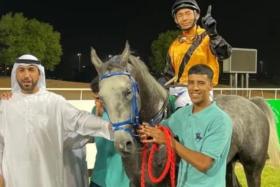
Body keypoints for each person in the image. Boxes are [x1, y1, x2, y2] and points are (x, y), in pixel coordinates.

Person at [0, 54, 113, 187]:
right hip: (14, 178)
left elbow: (79, 119)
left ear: (39, 74)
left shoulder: (54, 102)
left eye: (31, 69)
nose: (26, 75)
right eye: (21, 70)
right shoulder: (5, 105)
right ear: (15, 73)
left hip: (47, 177)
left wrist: (111, 128)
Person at [139, 64, 233, 187]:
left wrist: (170, 142)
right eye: (191, 82)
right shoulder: (182, 114)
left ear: (211, 86)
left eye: (201, 83)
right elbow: (162, 129)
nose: (195, 88)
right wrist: (148, 131)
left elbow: (204, 163)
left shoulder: (220, 121)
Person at [164, 0, 232, 108]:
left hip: (200, 90)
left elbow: (225, 53)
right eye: (180, 15)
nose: (184, 18)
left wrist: (214, 35)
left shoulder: (207, 37)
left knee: (182, 108)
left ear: (197, 15)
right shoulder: (174, 46)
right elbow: (169, 75)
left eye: (188, 13)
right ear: (176, 20)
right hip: (176, 90)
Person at [89, 77, 129, 187]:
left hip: (119, 181)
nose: (95, 102)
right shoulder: (95, 110)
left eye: (98, 98)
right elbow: (91, 138)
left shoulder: (124, 113)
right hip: (98, 177)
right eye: (94, 98)